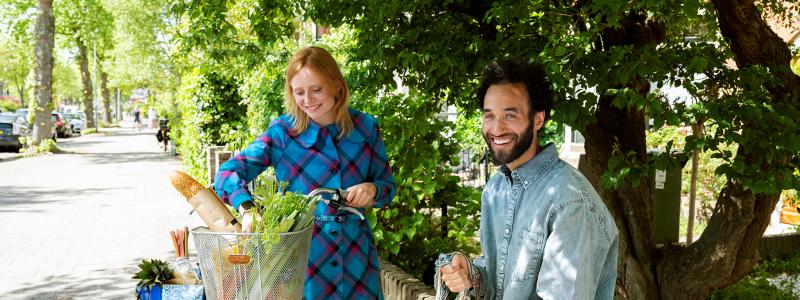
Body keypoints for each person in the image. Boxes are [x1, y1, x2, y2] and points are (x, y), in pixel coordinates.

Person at [214, 46, 397, 299]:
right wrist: (247, 209)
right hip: (302, 261)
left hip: (357, 260)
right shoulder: (283, 133)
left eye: (317, 89)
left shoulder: (366, 128)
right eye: (299, 92)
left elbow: (387, 186)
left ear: (336, 85)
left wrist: (373, 189)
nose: (308, 100)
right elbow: (227, 173)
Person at [439, 59, 619, 299]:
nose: (496, 128)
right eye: (489, 115)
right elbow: (500, 281)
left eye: (510, 116)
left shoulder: (569, 202)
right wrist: (472, 275)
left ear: (538, 120)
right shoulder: (495, 189)